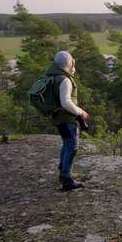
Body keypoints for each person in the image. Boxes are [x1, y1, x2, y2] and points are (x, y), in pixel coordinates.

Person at [46, 51, 89, 191]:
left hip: (58, 119)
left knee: (66, 143)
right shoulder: (64, 80)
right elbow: (65, 102)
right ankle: (66, 178)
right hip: (68, 119)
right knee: (72, 147)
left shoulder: (52, 76)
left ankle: (63, 171)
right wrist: (80, 112)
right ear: (69, 63)